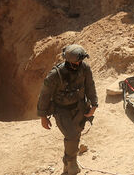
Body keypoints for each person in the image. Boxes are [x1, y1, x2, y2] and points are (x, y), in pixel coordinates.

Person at [37, 44, 98, 175]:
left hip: (80, 107)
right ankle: (72, 164)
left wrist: (94, 104)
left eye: (81, 60)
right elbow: (44, 95)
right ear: (69, 61)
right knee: (71, 135)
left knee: (76, 134)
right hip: (62, 111)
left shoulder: (85, 68)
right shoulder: (55, 74)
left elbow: (90, 86)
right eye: (77, 61)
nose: (79, 63)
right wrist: (43, 116)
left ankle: (67, 164)